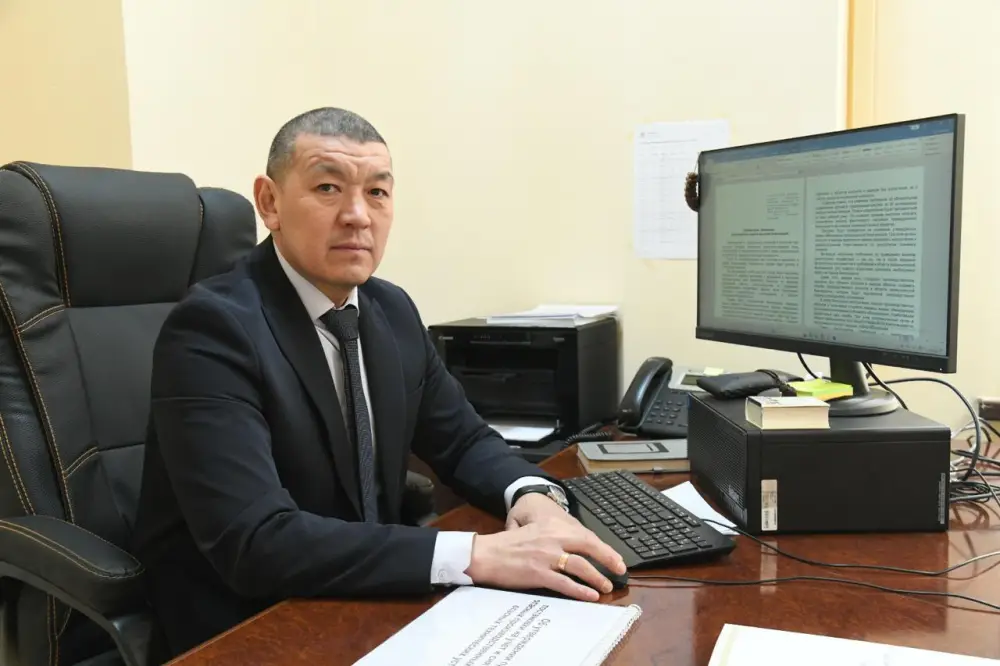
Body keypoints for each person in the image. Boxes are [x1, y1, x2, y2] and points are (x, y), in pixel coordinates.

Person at [132, 106, 626, 659]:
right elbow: (255, 541)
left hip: (370, 597)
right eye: (327, 187)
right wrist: (477, 555)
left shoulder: (389, 310)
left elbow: (463, 440)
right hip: (250, 623)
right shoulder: (212, 329)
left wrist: (533, 496)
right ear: (269, 203)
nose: (357, 216)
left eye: (377, 193)